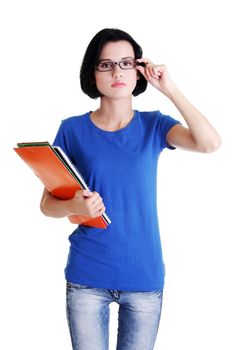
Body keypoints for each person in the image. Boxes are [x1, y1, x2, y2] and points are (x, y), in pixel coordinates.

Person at [40, 28, 221, 350]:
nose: (117, 72)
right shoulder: (72, 129)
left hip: (144, 274)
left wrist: (170, 89)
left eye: (126, 63)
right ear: (92, 73)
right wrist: (74, 207)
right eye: (105, 65)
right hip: (87, 275)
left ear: (139, 71)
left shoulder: (155, 124)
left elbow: (209, 144)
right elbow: (47, 204)